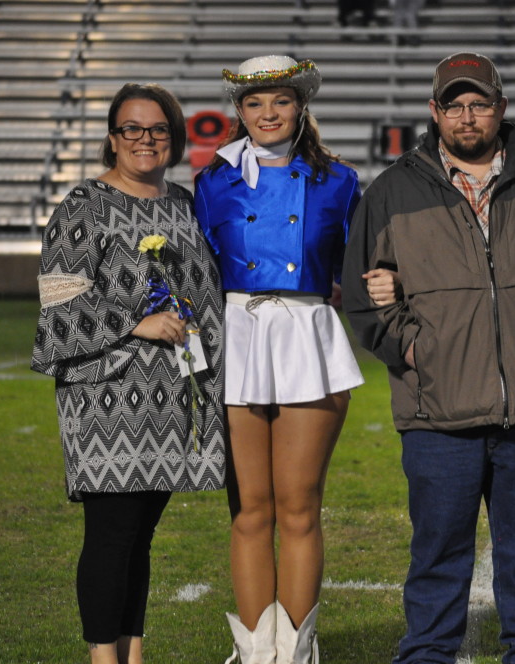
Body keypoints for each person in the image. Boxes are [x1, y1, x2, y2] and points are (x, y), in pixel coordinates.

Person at [343, 52, 515, 664]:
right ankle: (426, 655)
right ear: (434, 112)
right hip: (437, 414)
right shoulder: (393, 189)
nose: (467, 117)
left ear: (500, 107)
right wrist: (415, 349)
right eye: (455, 105)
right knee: (438, 556)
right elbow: (363, 297)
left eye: (480, 104)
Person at [31, 83, 227, 664]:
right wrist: (135, 322)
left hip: (173, 397)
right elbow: (57, 301)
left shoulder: (184, 205)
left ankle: (132, 653)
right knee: (112, 535)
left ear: (174, 137)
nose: (145, 140)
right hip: (108, 399)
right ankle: (102, 658)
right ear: (112, 139)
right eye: (132, 130)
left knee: (140, 536)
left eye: (158, 129)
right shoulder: (84, 206)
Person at [193, 55, 365, 664]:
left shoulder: (340, 181)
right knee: (248, 511)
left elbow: (359, 269)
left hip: (305, 334)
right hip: (236, 337)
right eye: (254, 103)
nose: (268, 114)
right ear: (238, 112)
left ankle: (296, 651)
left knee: (298, 507)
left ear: (301, 106)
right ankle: (253, 651)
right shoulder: (211, 180)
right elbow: (199, 273)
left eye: (280, 101)